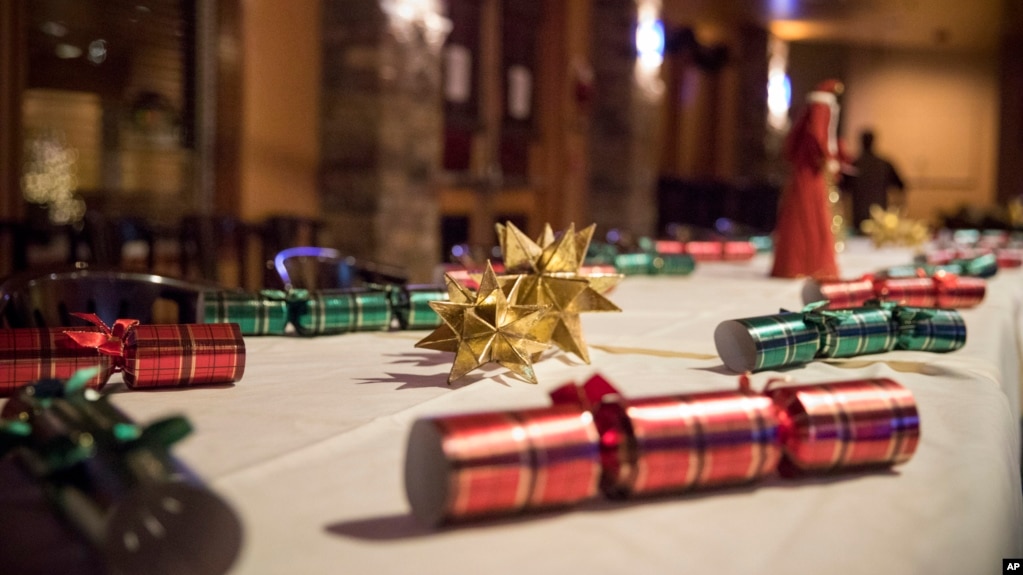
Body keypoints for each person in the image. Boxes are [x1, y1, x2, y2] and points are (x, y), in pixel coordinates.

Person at [770, 79, 844, 280]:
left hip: (806, 171)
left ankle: (796, 263)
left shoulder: (815, 108)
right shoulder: (822, 107)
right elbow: (818, 135)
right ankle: (810, 264)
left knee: (802, 215)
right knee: (810, 214)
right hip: (810, 173)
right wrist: (826, 157)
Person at [846, 129, 906, 229]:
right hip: (880, 216)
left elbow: (843, 188)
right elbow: (900, 186)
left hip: (860, 216)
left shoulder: (854, 165)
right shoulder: (884, 164)